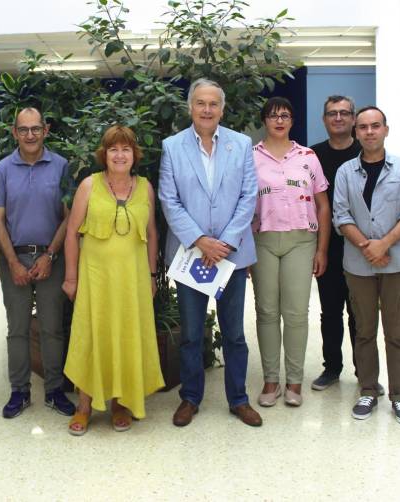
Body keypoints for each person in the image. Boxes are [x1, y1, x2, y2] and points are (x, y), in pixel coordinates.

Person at [159, 78, 262, 427]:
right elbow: (169, 201)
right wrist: (201, 241)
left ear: (222, 108)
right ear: (190, 107)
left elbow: (249, 196)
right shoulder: (172, 147)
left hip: (231, 256)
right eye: (200, 103)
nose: (206, 110)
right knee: (190, 333)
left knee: (234, 333)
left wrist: (225, 243)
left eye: (213, 104)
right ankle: (190, 398)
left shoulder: (241, 144)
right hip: (191, 257)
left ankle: (238, 399)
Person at [61, 125, 165, 435]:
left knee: (125, 335)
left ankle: (121, 402)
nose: (120, 155)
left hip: (132, 280)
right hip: (96, 279)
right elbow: (70, 232)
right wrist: (70, 276)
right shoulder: (89, 186)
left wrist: (150, 276)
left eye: (126, 149)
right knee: (91, 335)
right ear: (104, 154)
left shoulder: (145, 187)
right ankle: (84, 405)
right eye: (114, 149)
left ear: (135, 155)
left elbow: (151, 234)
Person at [332, 106, 400, 426]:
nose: (369, 132)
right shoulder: (345, 172)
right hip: (358, 266)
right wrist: (367, 248)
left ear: (386, 129)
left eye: (375, 126)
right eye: (363, 127)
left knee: (396, 333)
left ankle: (399, 396)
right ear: (356, 132)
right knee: (364, 330)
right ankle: (368, 389)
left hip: (396, 263)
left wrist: (383, 245)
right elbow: (340, 216)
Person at [0, 107, 76, 418]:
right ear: (14, 132)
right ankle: (19, 391)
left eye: (35, 128)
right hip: (15, 258)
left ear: (45, 130)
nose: (29, 135)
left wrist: (51, 255)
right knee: (18, 329)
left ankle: (54, 390)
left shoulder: (62, 167)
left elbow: (69, 218)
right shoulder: (1, 171)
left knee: (53, 328)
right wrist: (11, 262)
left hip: (52, 259)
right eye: (23, 129)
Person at [251, 97, 330, 408]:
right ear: (265, 121)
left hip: (301, 240)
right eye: (273, 116)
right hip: (263, 241)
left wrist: (321, 248)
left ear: (292, 121)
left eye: (285, 115)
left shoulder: (308, 157)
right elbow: (244, 204)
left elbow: (323, 207)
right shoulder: (250, 157)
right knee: (267, 312)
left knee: (296, 314)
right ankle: (271, 380)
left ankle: (294, 381)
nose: (279, 121)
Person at [308, 96, 369, 392]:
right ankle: (332, 368)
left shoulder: (365, 153)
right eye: (332, 113)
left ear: (353, 118)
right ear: (324, 119)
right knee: (330, 312)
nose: (339, 118)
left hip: (361, 246)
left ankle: (364, 372)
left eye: (345, 113)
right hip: (327, 246)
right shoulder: (312, 156)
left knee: (360, 313)